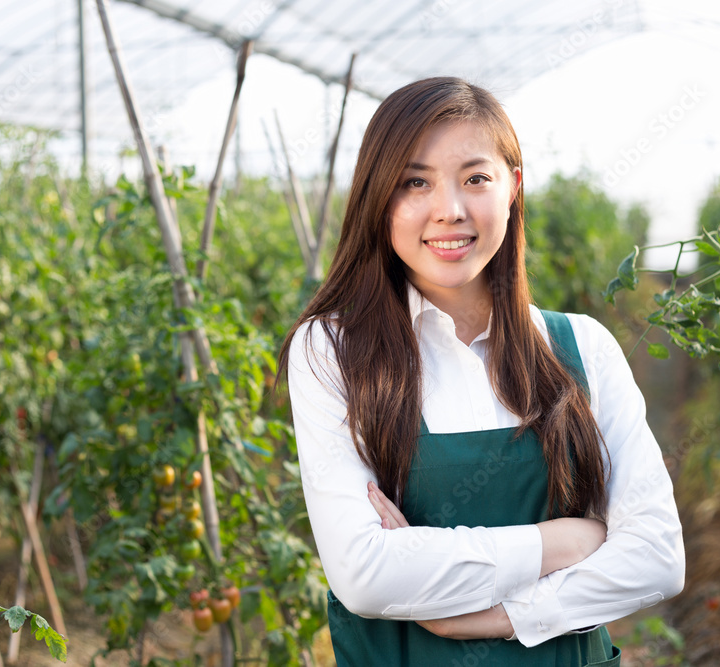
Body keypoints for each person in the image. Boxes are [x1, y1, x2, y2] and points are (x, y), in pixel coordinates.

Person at [279, 77, 684, 666]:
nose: (450, 210)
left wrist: (497, 616)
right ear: (377, 199)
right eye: (415, 182)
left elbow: (657, 559)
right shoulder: (333, 351)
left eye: (476, 179)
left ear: (513, 189)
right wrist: (566, 541)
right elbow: (365, 575)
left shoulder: (583, 348)